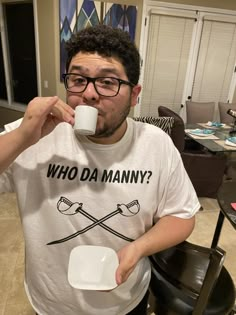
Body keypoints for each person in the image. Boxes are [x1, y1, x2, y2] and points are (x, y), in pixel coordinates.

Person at [0, 25, 200, 315]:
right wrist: (21, 137)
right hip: (51, 303)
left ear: (134, 95)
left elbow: (182, 215)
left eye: (108, 82)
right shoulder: (33, 133)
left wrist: (138, 249)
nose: (90, 94)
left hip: (125, 300)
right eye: (78, 79)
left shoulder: (156, 145)